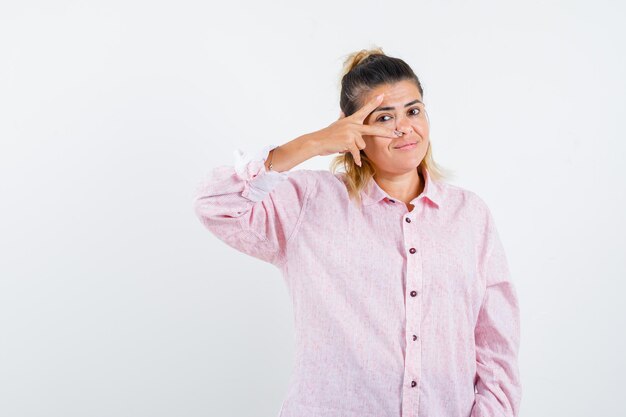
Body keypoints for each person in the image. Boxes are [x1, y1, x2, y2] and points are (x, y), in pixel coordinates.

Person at [193, 47, 522, 417]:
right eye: (383, 117)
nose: (403, 127)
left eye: (413, 111)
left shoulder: (469, 215)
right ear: (351, 130)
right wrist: (312, 143)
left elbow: (496, 347)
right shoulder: (308, 203)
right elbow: (215, 204)